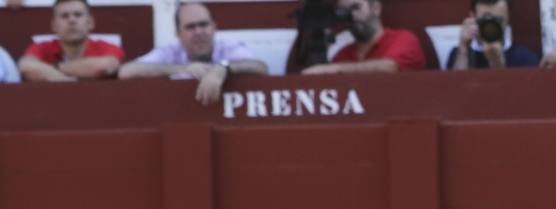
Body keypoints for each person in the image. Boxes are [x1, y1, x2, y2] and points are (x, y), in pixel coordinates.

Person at [118, 2, 269, 106]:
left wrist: (222, 68)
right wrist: (184, 69)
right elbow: (126, 71)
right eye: (190, 27)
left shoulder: (227, 48)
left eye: (203, 24)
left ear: (214, 27)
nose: (198, 32)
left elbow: (260, 67)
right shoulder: (170, 52)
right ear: (178, 34)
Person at [302, 0, 426, 74]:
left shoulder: (403, 39)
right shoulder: (342, 55)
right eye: (345, 11)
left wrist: (336, 69)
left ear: (376, 8)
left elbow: (390, 67)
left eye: (356, 8)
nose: (352, 16)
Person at [17, 0, 123, 82]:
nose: (72, 20)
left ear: (90, 22)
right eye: (64, 16)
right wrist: (68, 81)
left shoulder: (105, 47)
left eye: (78, 15)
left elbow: (106, 66)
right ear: (54, 25)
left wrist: (54, 68)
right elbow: (25, 66)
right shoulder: (42, 47)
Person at [447, 0, 540, 69]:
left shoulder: (525, 57)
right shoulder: (458, 54)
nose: (492, 26)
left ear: (508, 18)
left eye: (498, 20)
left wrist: (497, 63)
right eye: (486, 20)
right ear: (473, 17)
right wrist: (463, 49)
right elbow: (454, 91)